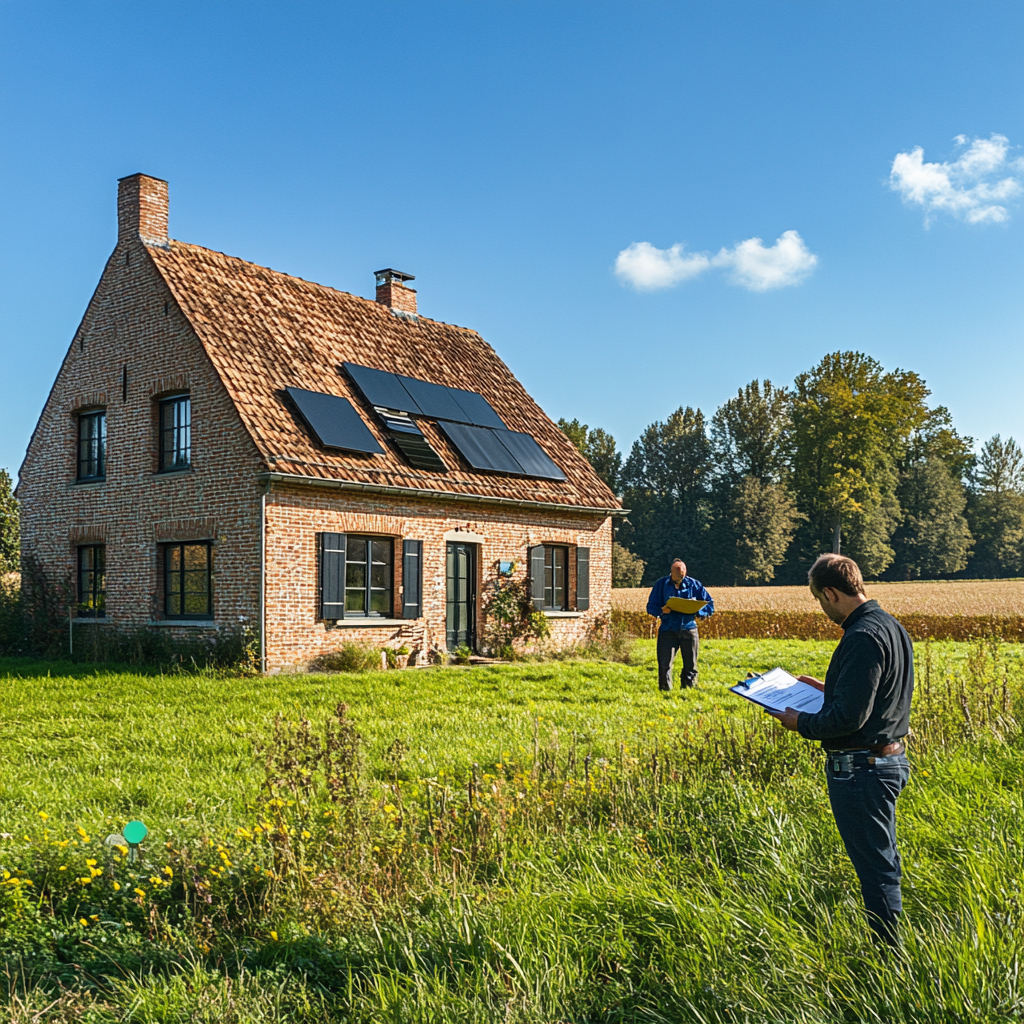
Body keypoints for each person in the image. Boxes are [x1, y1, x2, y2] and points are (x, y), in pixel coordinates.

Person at [768, 553, 913, 951]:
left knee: (875, 868)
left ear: (831, 592)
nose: (822, 607)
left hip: (862, 768)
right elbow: (875, 700)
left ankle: (888, 960)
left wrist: (803, 723)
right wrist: (826, 692)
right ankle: (890, 946)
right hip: (887, 758)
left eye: (819, 599)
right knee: (881, 859)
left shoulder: (862, 636)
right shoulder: (891, 627)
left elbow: (848, 718)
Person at [645, 558, 714, 691]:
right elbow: (651, 606)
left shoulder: (695, 585)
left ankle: (688, 689)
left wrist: (700, 611)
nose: (680, 579)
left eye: (682, 576)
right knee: (664, 664)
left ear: (685, 572)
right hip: (668, 629)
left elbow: (709, 603)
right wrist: (661, 610)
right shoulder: (661, 584)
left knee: (691, 664)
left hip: (689, 628)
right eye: (677, 577)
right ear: (671, 573)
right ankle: (665, 690)